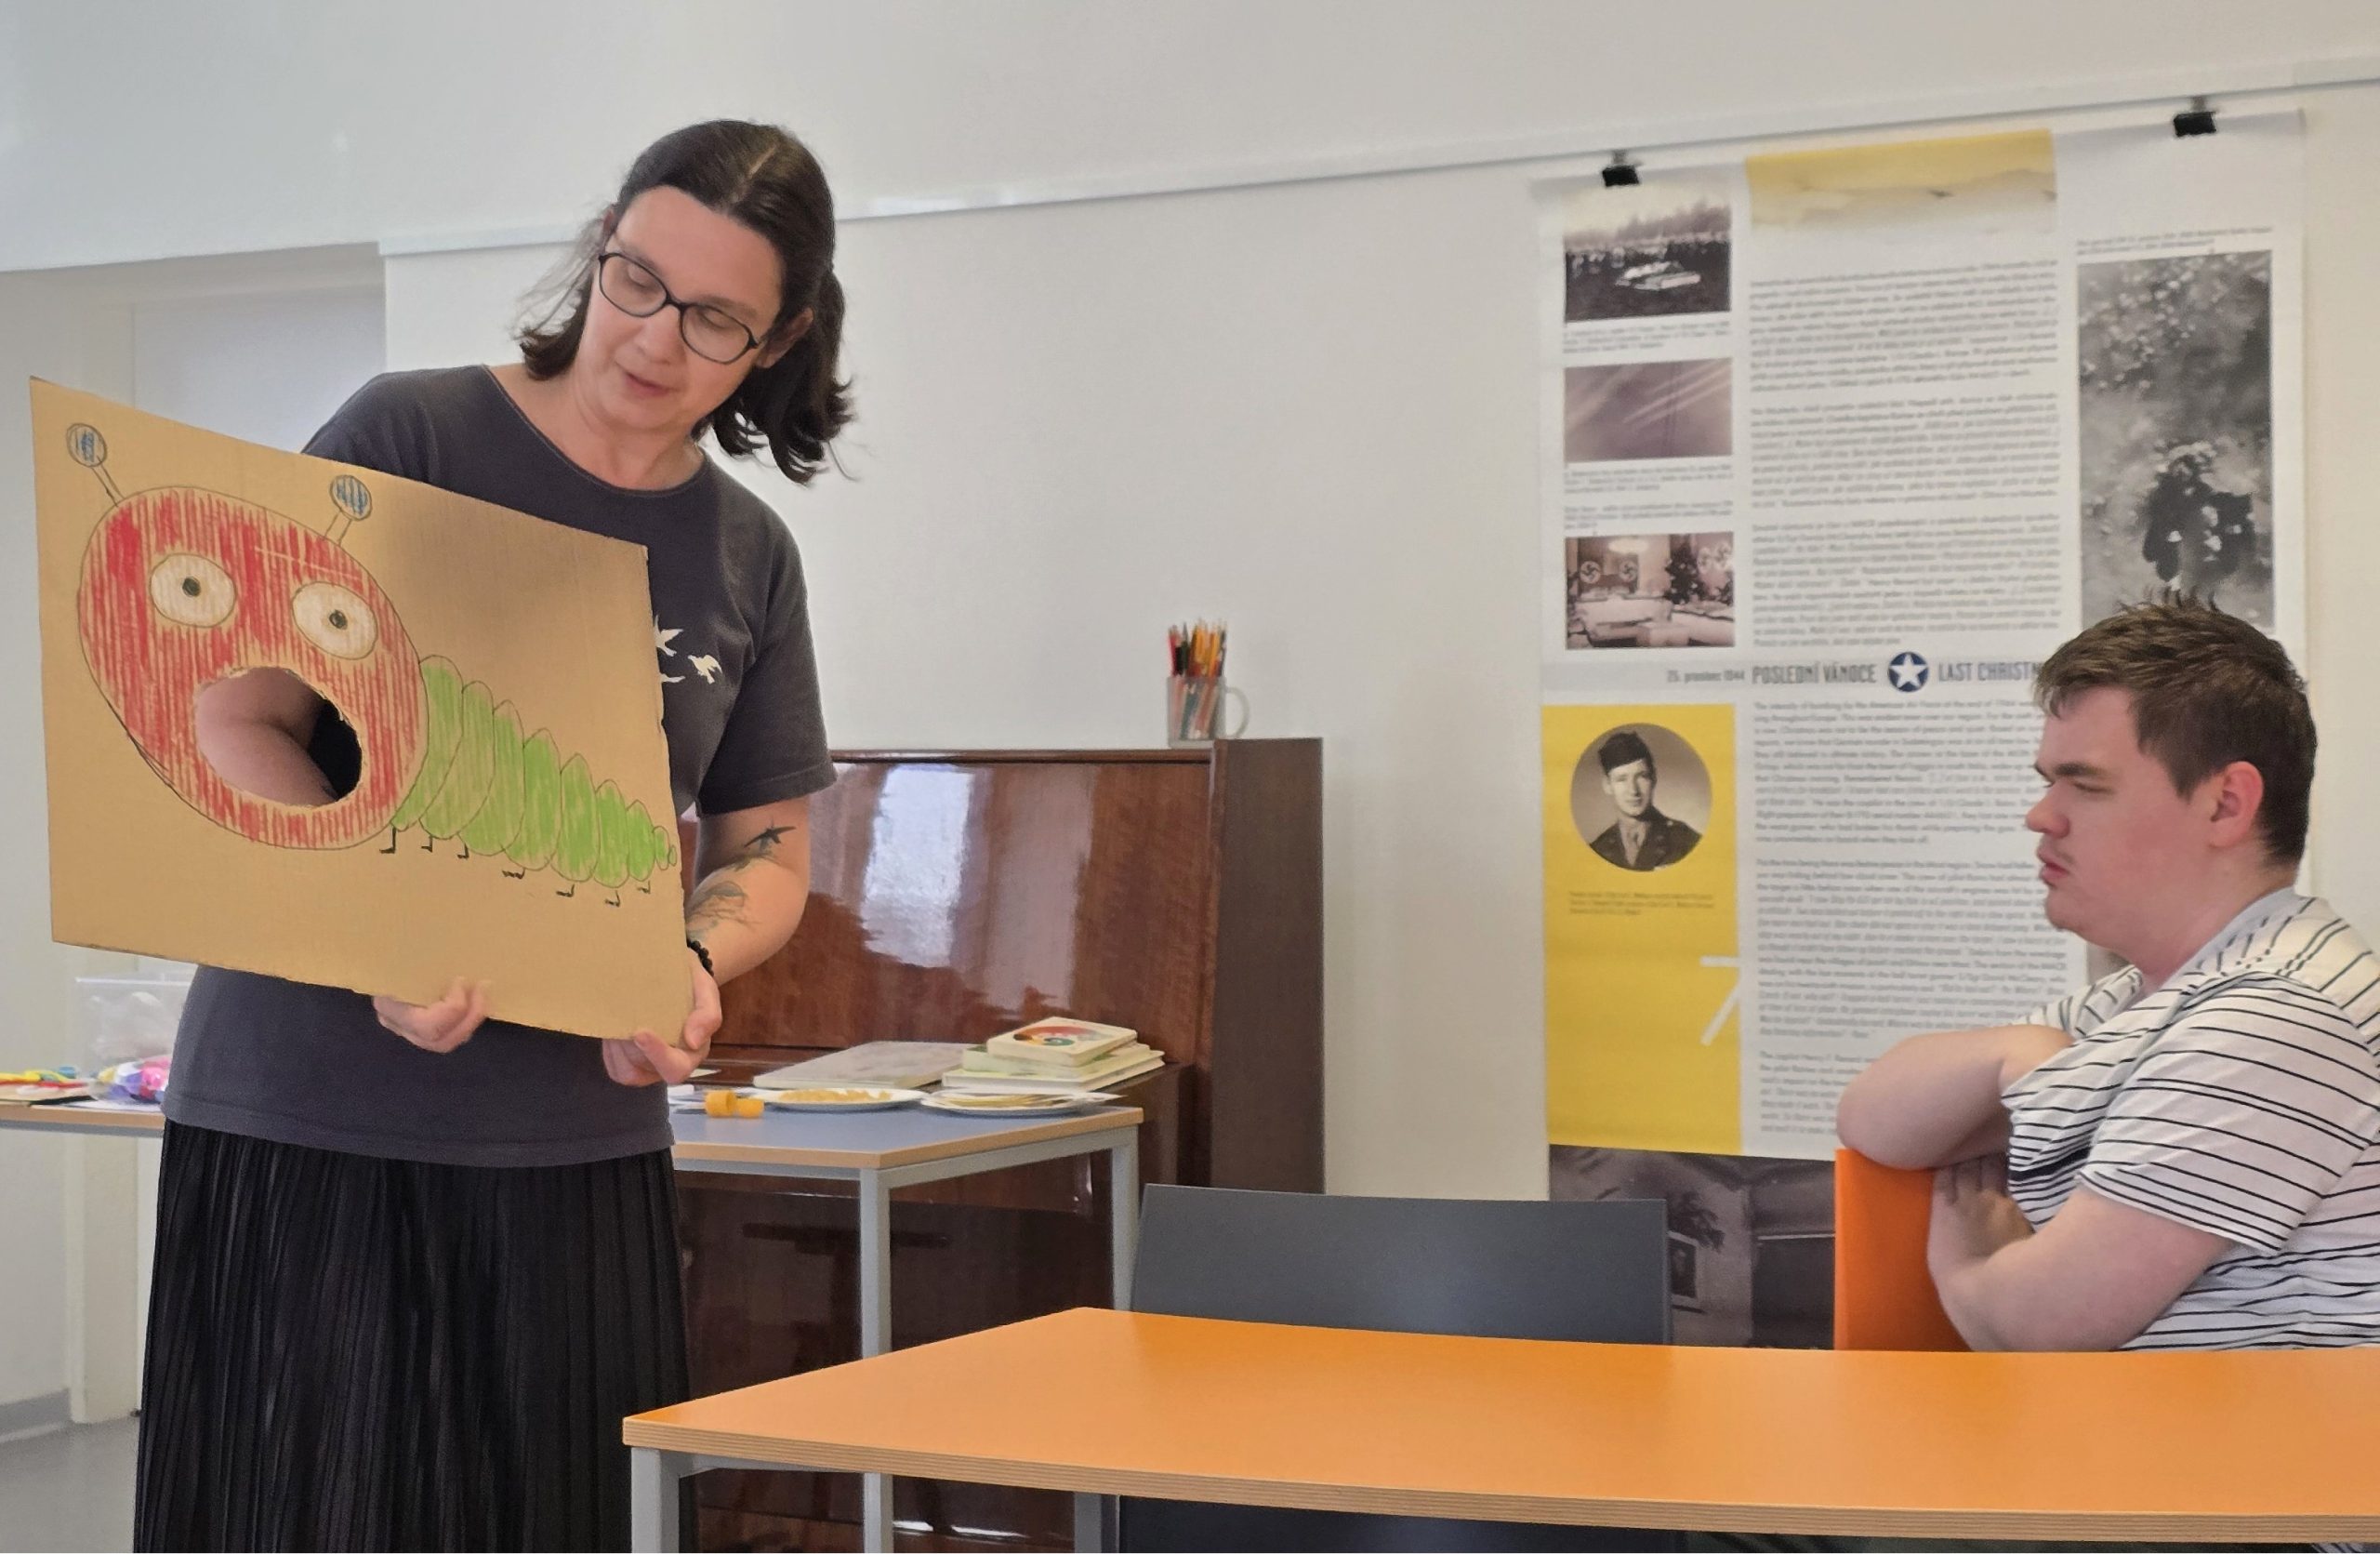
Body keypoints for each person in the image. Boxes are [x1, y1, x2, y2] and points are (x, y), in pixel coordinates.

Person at [136, 120, 848, 1550]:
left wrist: (689, 962)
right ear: (600, 249)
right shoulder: (408, 438)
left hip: (576, 1145)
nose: (653, 338)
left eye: (714, 318)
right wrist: (381, 936)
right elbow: (237, 716)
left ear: (778, 340)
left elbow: (767, 842)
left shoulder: (746, 552)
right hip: (311, 1112)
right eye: (637, 279)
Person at [1837, 599, 2380, 1353]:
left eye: (2084, 784)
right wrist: (2020, 1052)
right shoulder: (2149, 994)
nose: (2041, 816)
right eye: (2047, 781)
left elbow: (2038, 1324)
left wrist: (1966, 1260)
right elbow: (1869, 1117)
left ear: (2226, 804)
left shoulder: (2278, 1013)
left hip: (2250, 1436)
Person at [1588, 729, 1701, 871]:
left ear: (1653, 779)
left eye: (1642, 776)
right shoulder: (1597, 850)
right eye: (1622, 779)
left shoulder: (1686, 842)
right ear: (1607, 785)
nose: (1633, 790)